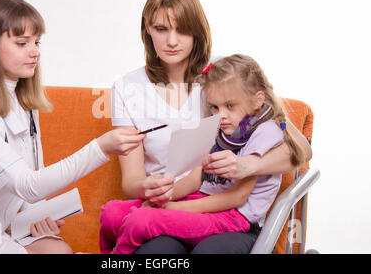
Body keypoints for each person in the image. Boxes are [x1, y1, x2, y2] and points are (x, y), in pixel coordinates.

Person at [0, 0, 145, 254]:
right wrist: (101, 147)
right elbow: (27, 184)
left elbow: (22, 184)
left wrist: (36, 216)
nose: (35, 51)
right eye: (21, 43)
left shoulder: (23, 103)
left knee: (57, 250)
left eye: (36, 42)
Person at [107, 0, 312, 254]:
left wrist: (248, 165)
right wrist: (148, 188)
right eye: (161, 28)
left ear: (197, 31)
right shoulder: (127, 88)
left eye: (183, 30)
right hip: (170, 206)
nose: (171, 41)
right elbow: (130, 182)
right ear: (146, 28)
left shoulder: (220, 75)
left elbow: (298, 149)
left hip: (226, 212)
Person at [100, 54, 306, 254]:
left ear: (257, 100)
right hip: (202, 200)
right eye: (214, 107)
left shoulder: (265, 131)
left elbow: (237, 197)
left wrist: (169, 209)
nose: (220, 115)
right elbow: (196, 177)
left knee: (141, 221)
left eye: (230, 106)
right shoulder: (223, 128)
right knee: (111, 213)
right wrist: (163, 196)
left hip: (232, 216)